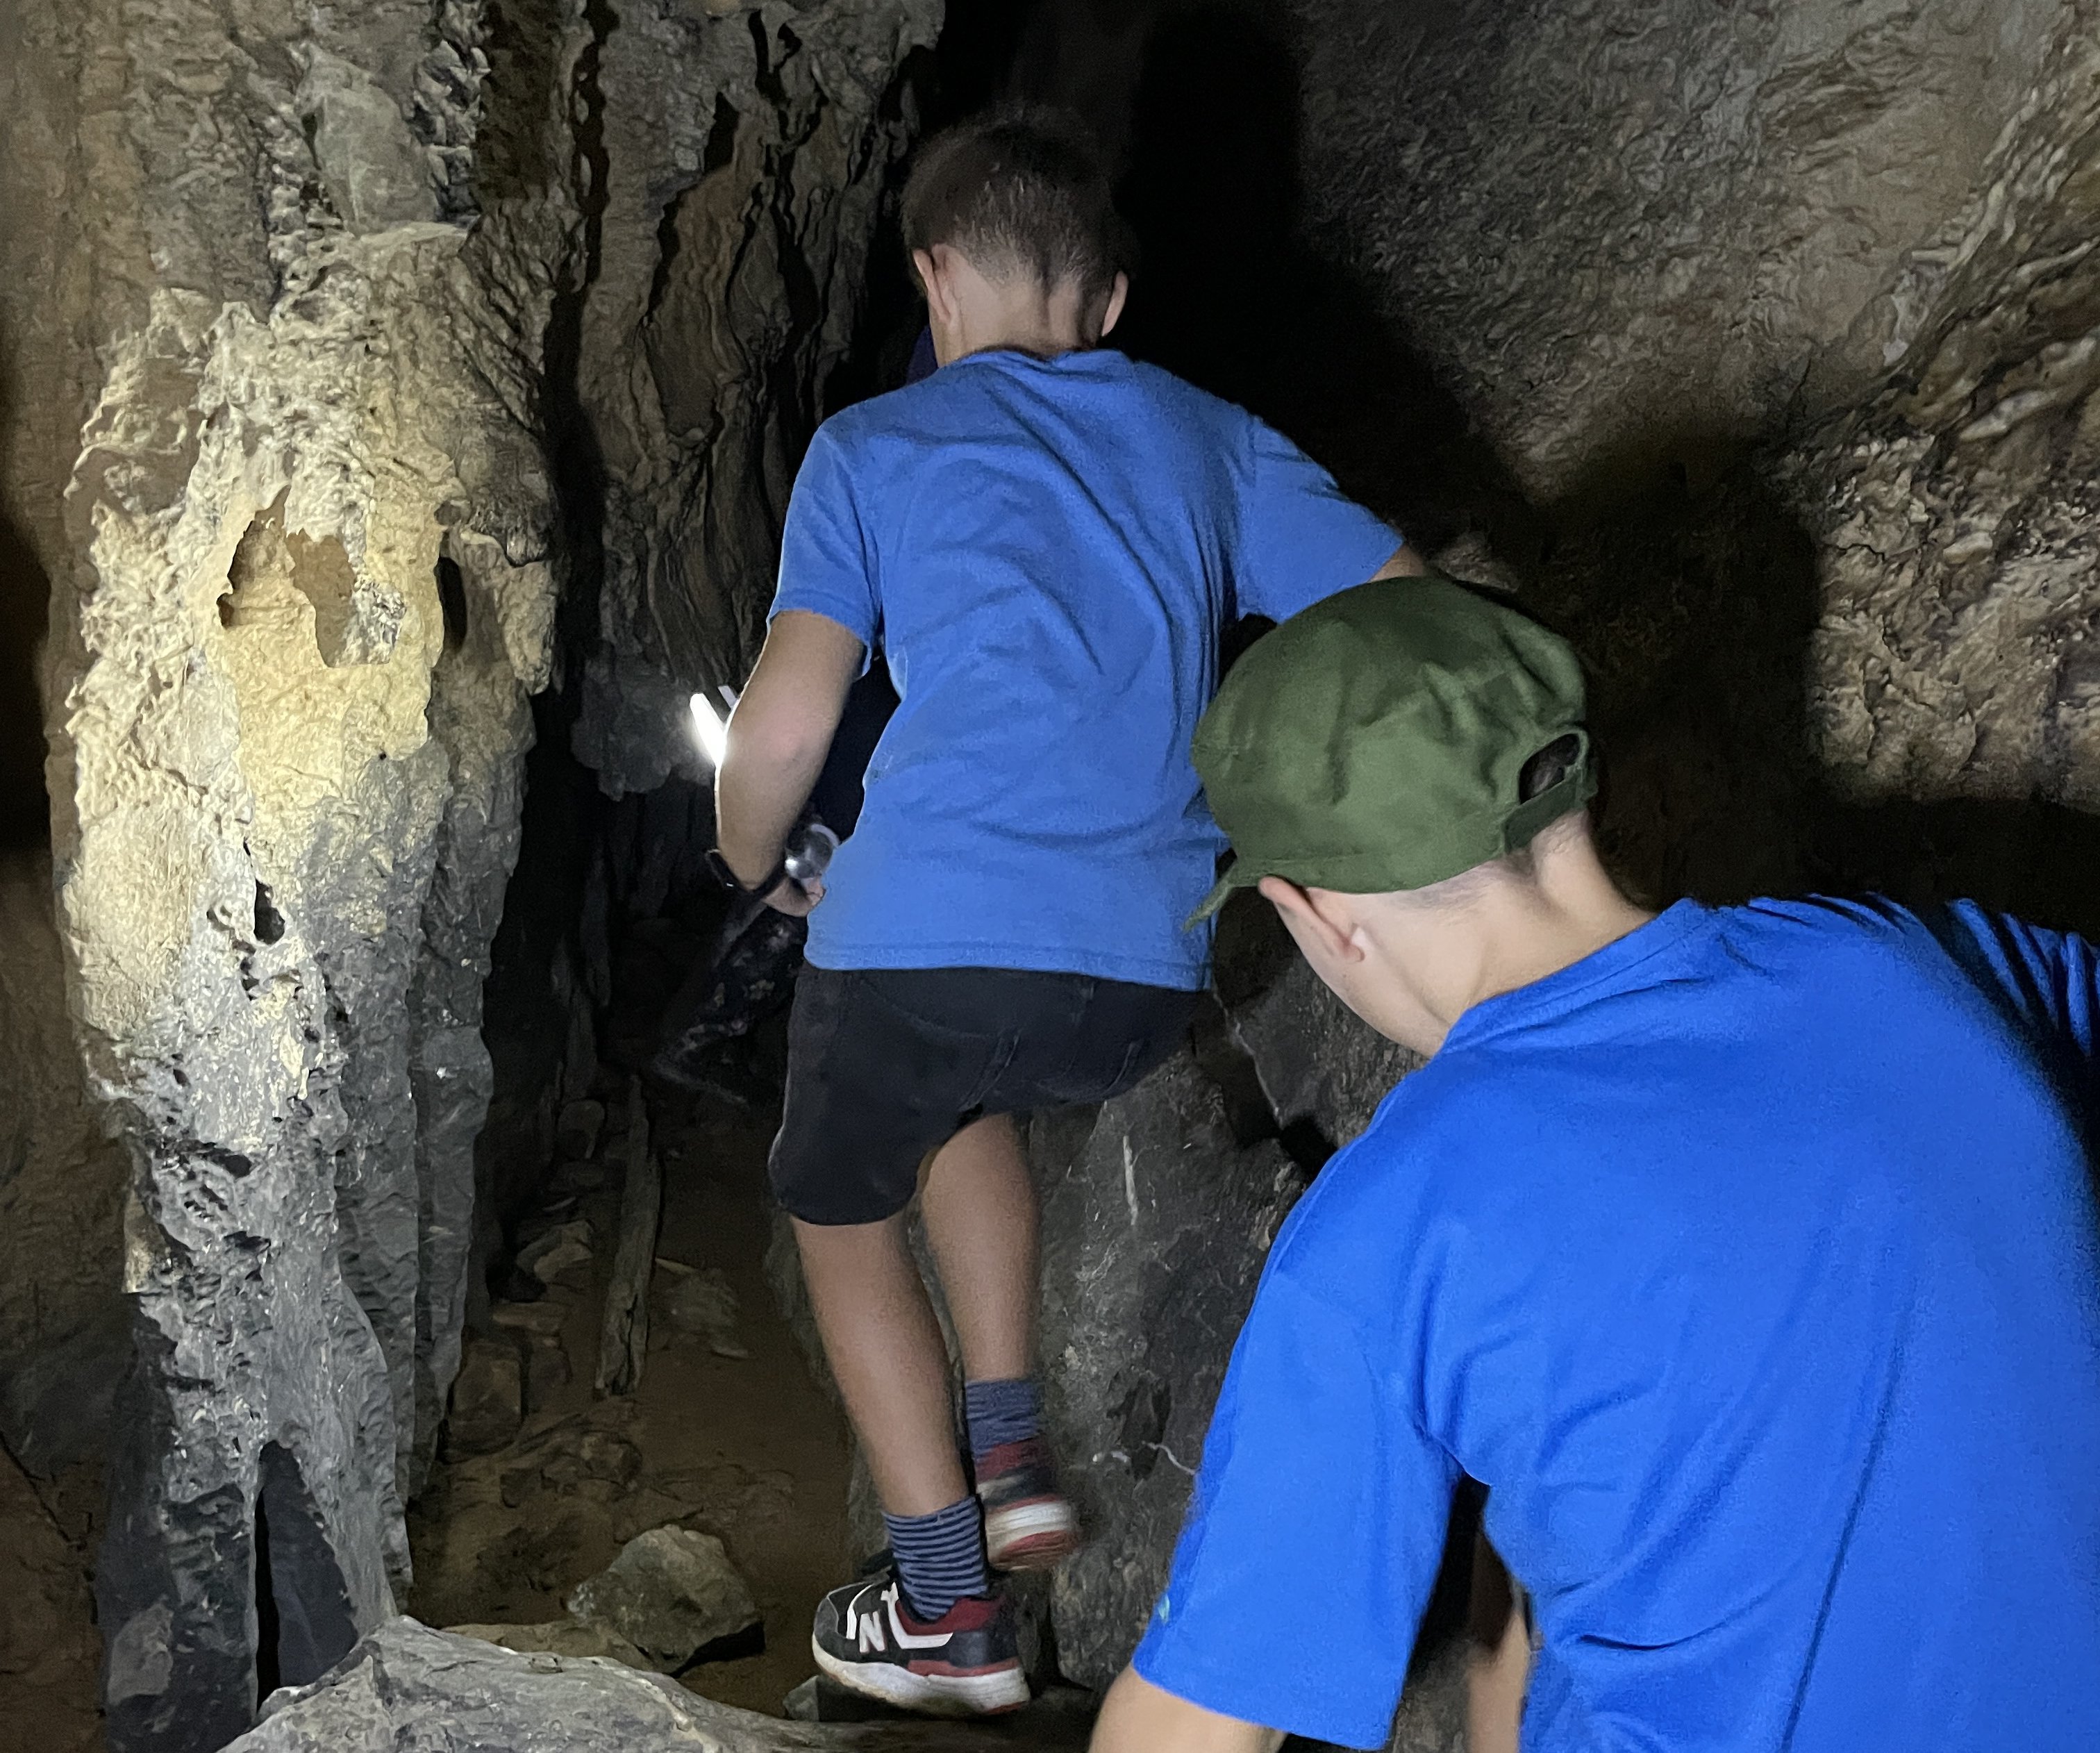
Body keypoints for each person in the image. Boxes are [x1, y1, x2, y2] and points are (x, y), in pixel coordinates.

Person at [1091, 576, 2100, 1752]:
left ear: (1316, 915)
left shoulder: (1395, 1230)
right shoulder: (1933, 964)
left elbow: (1194, 1733)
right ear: (1577, 784)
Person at [710, 106, 1422, 1714]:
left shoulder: (874, 448)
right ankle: (1012, 1443)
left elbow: (781, 729)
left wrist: (746, 856)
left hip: (919, 927)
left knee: (834, 1195)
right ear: (1106, 304)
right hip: (1142, 963)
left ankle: (946, 1606)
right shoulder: (1206, 434)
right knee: (963, 1104)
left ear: (934, 281)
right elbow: (1398, 604)